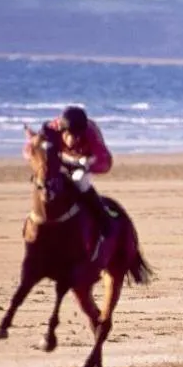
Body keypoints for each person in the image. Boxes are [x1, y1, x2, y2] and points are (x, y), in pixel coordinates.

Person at [36, 105, 115, 256]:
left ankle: (103, 220)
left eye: (78, 136)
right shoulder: (53, 127)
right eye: (70, 135)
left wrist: (85, 166)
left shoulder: (91, 133)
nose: (74, 140)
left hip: (88, 161)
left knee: (78, 179)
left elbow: (104, 161)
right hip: (63, 159)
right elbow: (33, 147)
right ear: (62, 130)